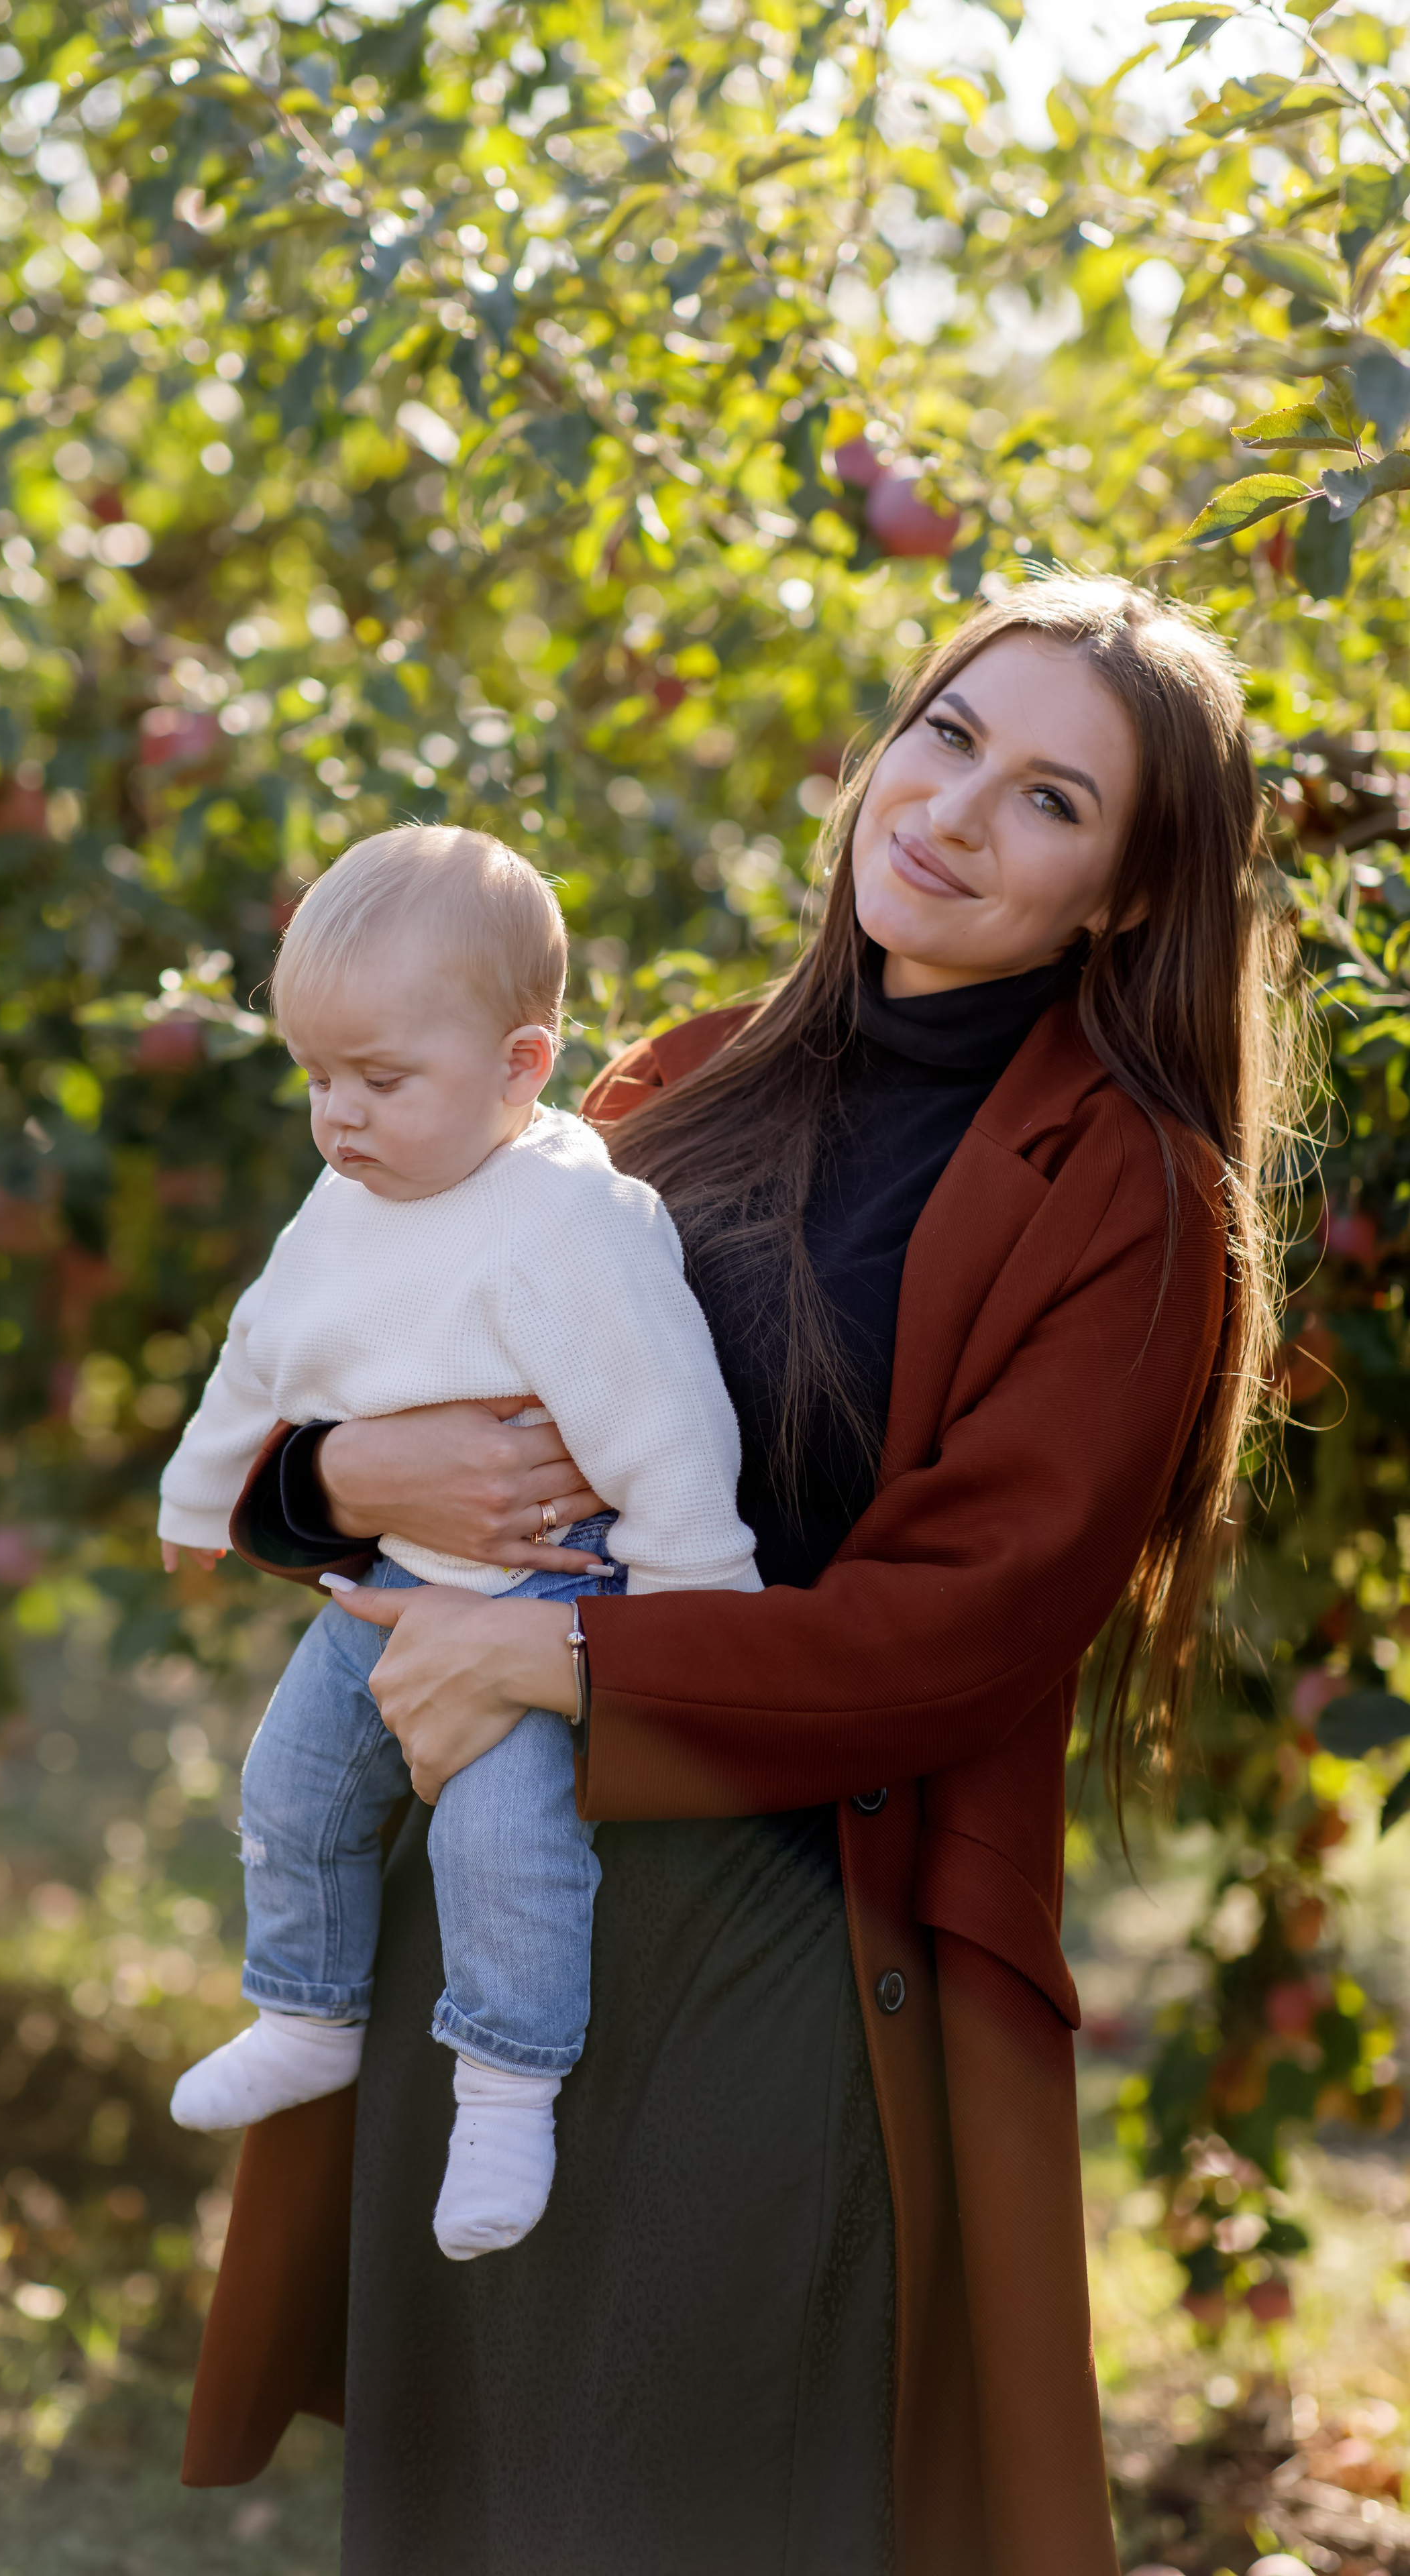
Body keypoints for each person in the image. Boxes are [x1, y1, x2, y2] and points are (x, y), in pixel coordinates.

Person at [179, 578, 1297, 2576]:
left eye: (1052, 800)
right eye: (949, 735)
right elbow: (382, 1365)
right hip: (484, 1899)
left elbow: (967, 1626)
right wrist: (339, 1474)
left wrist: (568, 1669)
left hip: (777, 1950)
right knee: (464, 2506)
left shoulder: (1131, 1194)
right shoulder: (665, 1088)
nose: (954, 812)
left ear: (1125, 896)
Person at [156, 825, 758, 2262]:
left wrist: (691, 1599)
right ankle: (304, 2010)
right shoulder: (347, 1200)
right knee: (292, 1785)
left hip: (553, 1592)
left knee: (503, 1847)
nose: (337, 1118)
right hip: (383, 1582)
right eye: (315, 1079)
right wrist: (196, 1497)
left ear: (519, 1067)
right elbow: (261, 1356)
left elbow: (664, 1412)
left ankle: (505, 2092)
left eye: (378, 1080)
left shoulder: (565, 1220)